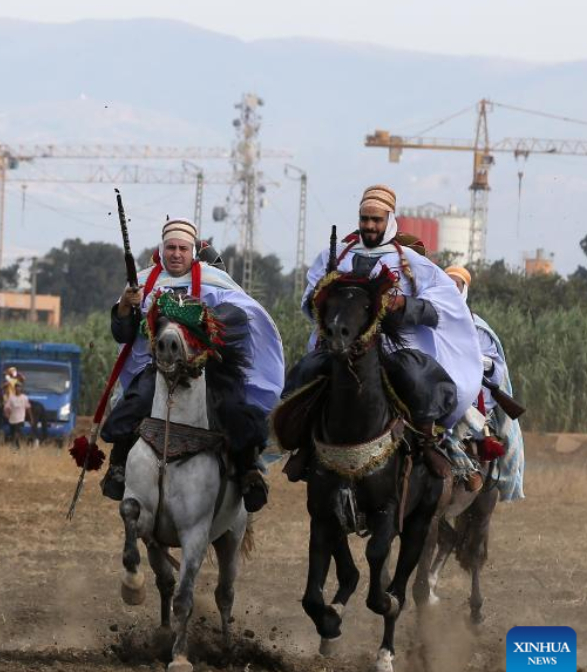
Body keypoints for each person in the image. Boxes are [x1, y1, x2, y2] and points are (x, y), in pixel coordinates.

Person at [284, 185, 483, 480]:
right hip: (341, 347)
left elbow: (440, 310)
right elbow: (309, 301)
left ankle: (427, 442)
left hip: (395, 348)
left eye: (376, 220)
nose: (369, 226)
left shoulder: (413, 262)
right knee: (303, 373)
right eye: (365, 219)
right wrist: (326, 298)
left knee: (419, 378)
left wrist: (403, 304)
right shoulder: (337, 256)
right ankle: (302, 445)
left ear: (389, 220)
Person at [99, 217, 285, 512]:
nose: (175, 254)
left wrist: (212, 321)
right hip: (158, 367)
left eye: (182, 248)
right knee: (136, 402)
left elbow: (243, 314)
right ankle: (119, 465)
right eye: (170, 248)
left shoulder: (216, 282)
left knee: (234, 407)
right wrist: (125, 305)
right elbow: (122, 333)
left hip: (204, 368)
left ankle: (248, 472)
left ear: (192, 251)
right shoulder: (143, 284)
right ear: (162, 250)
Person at [445, 266, 525, 500]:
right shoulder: (433, 317)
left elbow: (494, 364)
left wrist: (474, 360)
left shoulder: (478, 326)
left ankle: (499, 475)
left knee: (506, 433)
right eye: (446, 283)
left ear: (464, 289)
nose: (451, 288)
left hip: (470, 391)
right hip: (438, 388)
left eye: (456, 284)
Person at [3, 383, 32, 448]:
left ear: (21, 388)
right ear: (15, 388)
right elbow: (6, 407)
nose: (18, 388)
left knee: (17, 431)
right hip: (12, 419)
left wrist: (31, 418)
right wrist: (6, 413)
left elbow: (28, 408)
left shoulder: (25, 397)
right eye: (16, 387)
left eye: (19, 387)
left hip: (20, 419)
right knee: (13, 433)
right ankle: (17, 447)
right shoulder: (11, 397)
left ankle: (13, 444)